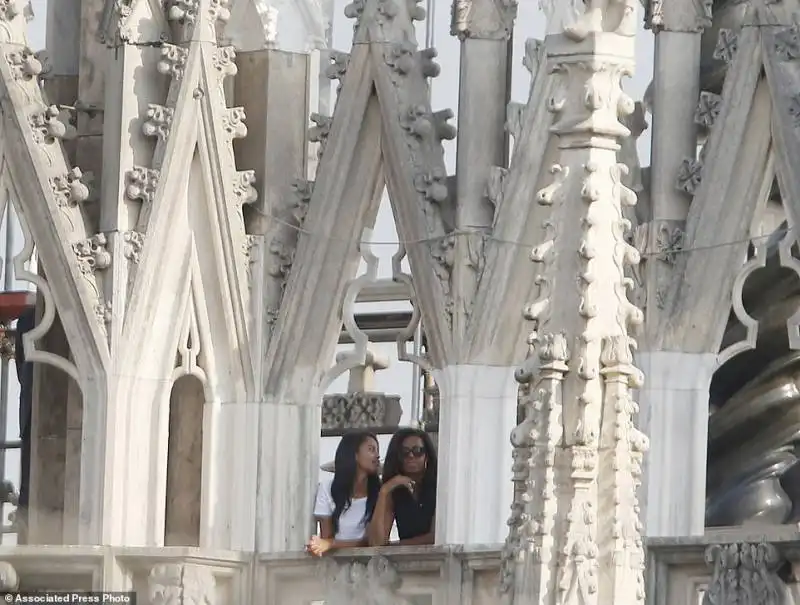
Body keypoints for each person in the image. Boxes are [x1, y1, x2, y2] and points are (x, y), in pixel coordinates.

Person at [306, 430, 381, 556]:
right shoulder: (327, 488)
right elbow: (327, 535)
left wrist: (330, 544)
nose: (377, 455)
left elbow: (371, 541)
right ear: (354, 454)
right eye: (371, 449)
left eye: (377, 450)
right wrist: (326, 543)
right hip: (335, 563)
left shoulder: (380, 493)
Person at [368, 428, 437, 546]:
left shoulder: (439, 487)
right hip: (404, 561)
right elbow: (376, 543)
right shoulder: (394, 490)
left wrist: (397, 545)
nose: (411, 456)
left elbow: (436, 537)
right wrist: (384, 492)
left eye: (417, 451)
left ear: (427, 456)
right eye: (404, 452)